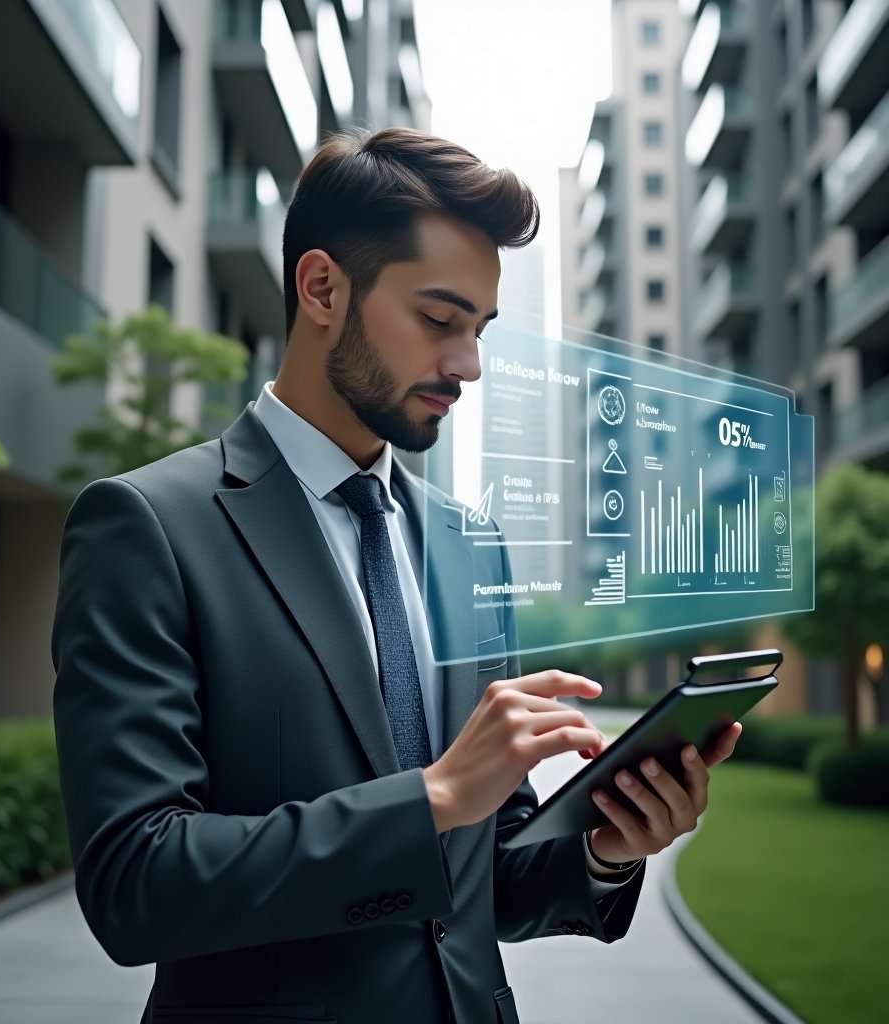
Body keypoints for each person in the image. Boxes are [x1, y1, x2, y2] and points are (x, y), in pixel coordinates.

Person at [52, 128, 740, 1024]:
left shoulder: (468, 543)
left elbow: (482, 867)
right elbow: (135, 882)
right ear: (323, 288)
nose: (469, 365)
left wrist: (605, 850)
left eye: (481, 330)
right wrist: (434, 795)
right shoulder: (147, 526)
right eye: (439, 319)